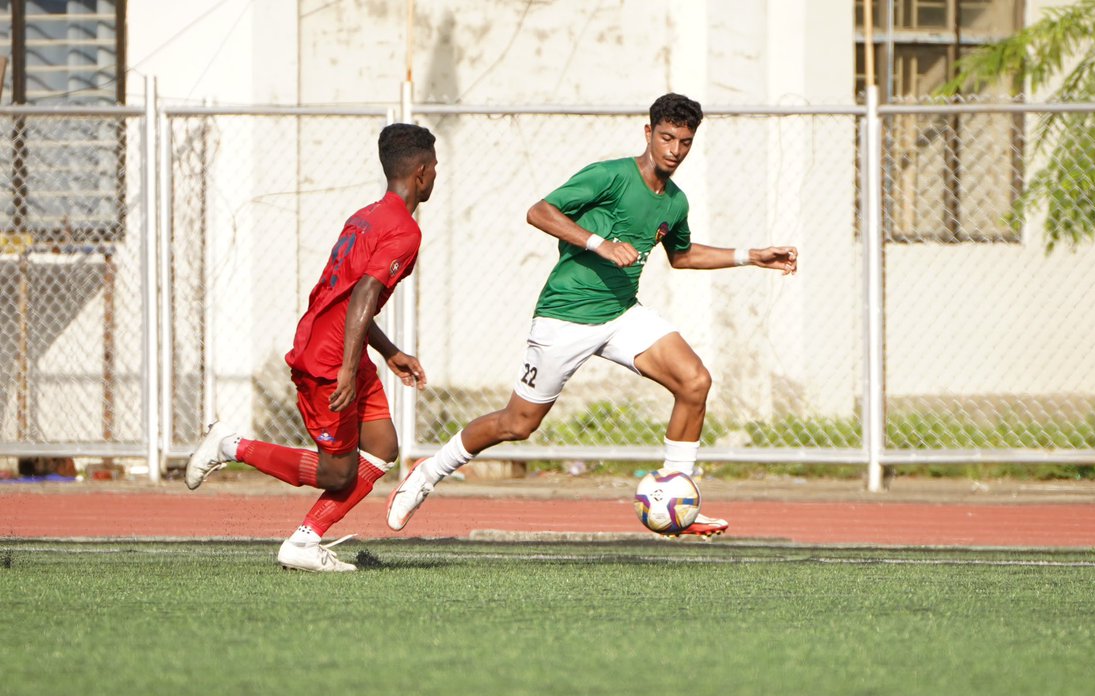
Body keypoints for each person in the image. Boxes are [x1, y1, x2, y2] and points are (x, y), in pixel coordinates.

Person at [386, 93, 796, 536]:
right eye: (666, 138)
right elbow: (539, 212)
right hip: (565, 316)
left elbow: (682, 255)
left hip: (621, 315)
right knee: (517, 424)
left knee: (694, 381)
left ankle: (673, 499)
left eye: (685, 142)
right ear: (648, 133)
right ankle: (426, 474)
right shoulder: (611, 176)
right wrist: (598, 243)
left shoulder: (675, 202)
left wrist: (751, 255)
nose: (674, 150)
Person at [184, 123, 438, 572]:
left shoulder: (365, 216)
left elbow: (344, 295)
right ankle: (230, 446)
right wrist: (345, 367)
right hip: (329, 356)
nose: (437, 175)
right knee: (335, 472)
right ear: (420, 173)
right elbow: (361, 295)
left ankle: (305, 540)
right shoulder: (404, 230)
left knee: (381, 446)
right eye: (434, 167)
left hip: (343, 347)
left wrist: (386, 350)